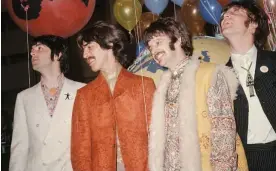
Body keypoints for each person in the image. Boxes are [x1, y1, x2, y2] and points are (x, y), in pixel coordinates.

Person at [144, 17, 248, 171]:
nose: (153, 51)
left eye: (158, 42)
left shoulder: (210, 74)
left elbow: (223, 134)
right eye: (150, 47)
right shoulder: (163, 86)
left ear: (178, 40)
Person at [71, 21, 156, 171]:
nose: (85, 55)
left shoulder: (144, 85)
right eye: (83, 50)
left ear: (109, 44)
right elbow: (80, 152)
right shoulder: (84, 95)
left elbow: (157, 137)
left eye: (89, 47)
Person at [9, 35, 85, 171]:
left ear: (57, 55)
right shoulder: (24, 98)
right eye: (32, 49)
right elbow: (19, 150)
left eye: (39, 48)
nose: (32, 52)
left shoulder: (82, 91)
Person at [221, 2, 276, 170]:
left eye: (235, 11)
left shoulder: (273, 61)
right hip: (245, 158)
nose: (226, 16)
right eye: (224, 14)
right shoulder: (220, 75)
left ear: (253, 24)